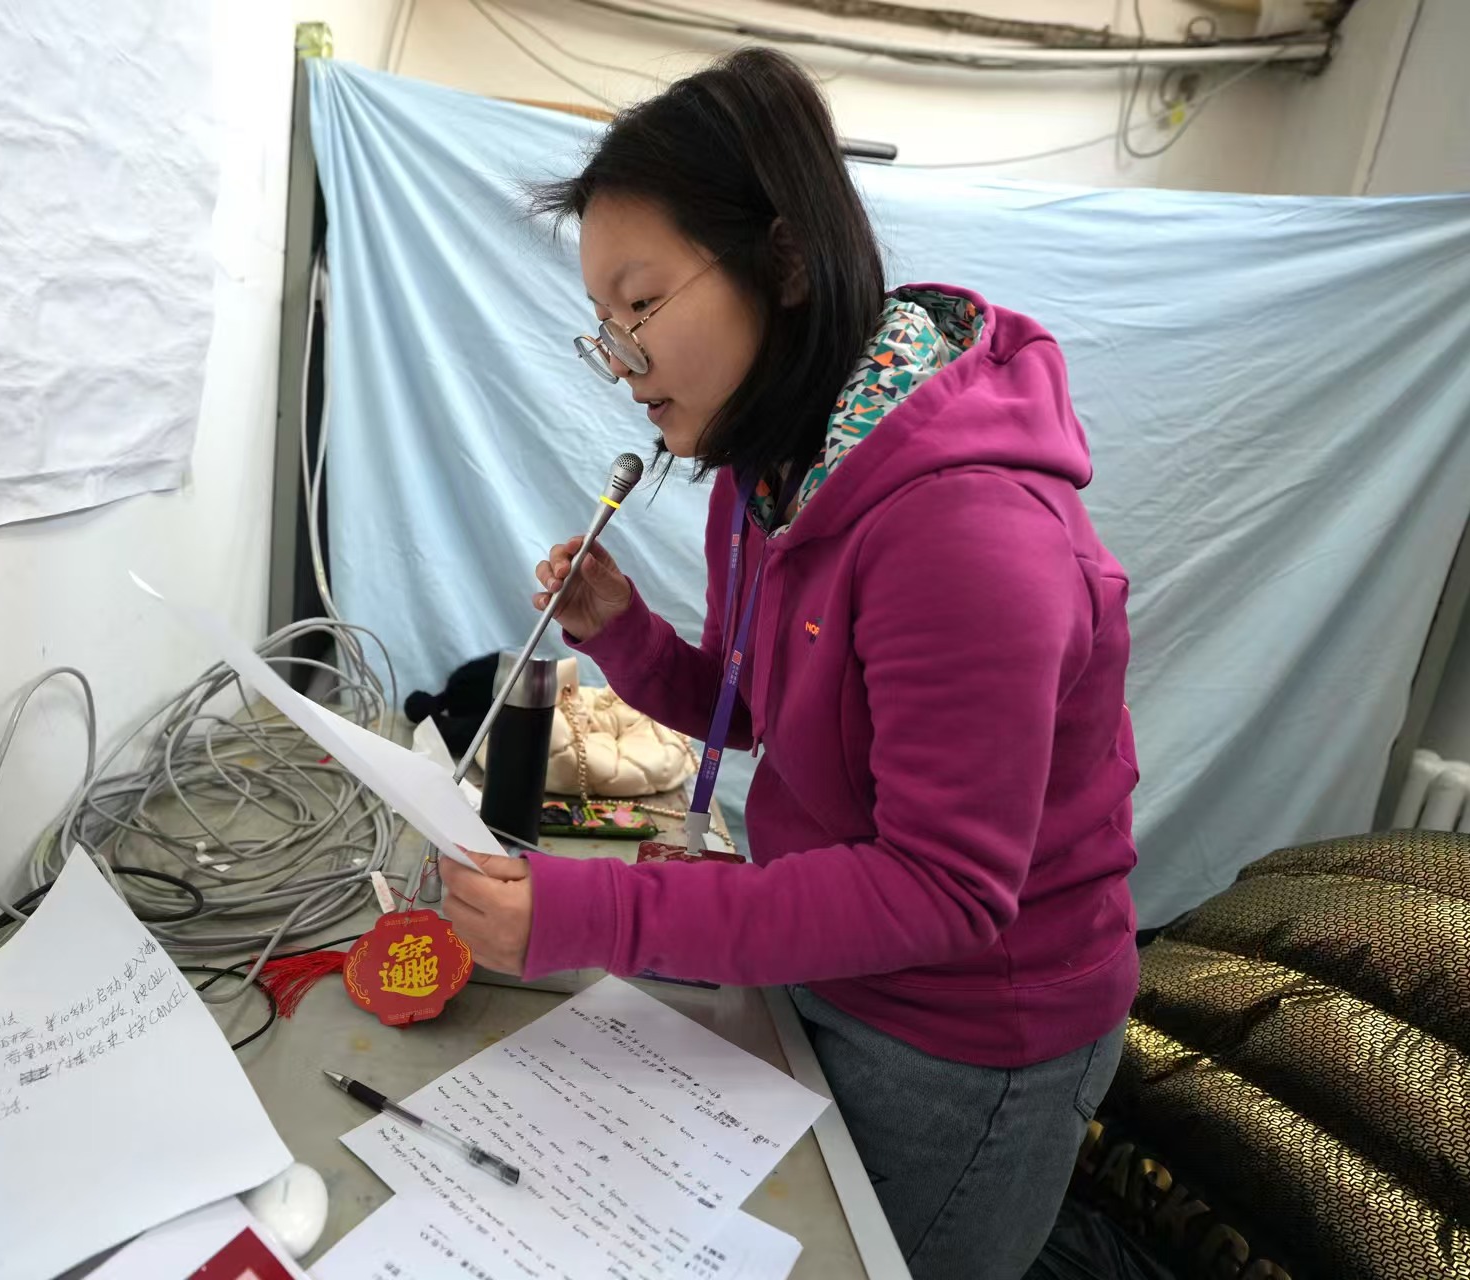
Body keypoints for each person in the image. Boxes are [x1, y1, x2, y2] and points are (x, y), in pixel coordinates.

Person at [438, 48, 1140, 1280]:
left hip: (968, 1034)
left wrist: (592, 912)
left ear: (787, 260)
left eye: (641, 306)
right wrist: (627, 632)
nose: (622, 361)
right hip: (834, 959)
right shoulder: (768, 472)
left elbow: (943, 887)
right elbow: (758, 707)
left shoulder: (966, 530)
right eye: (603, 325)